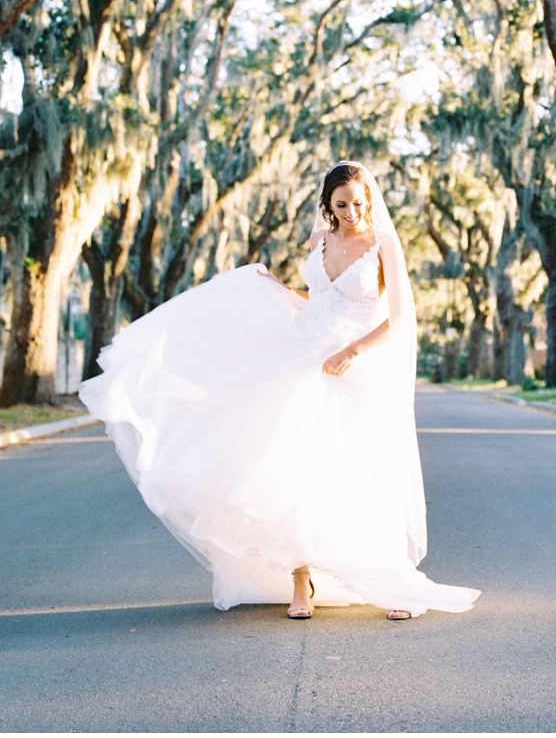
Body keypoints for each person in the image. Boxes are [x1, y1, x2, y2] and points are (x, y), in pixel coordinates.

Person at [79, 161, 479, 621]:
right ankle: (301, 582)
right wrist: (275, 289)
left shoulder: (383, 244)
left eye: (360, 203)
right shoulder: (319, 240)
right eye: (343, 203)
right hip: (304, 356)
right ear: (328, 203)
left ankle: (388, 581)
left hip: (355, 367)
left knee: (360, 471)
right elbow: (318, 300)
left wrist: (351, 352)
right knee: (294, 472)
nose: (353, 211)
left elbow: (400, 317)